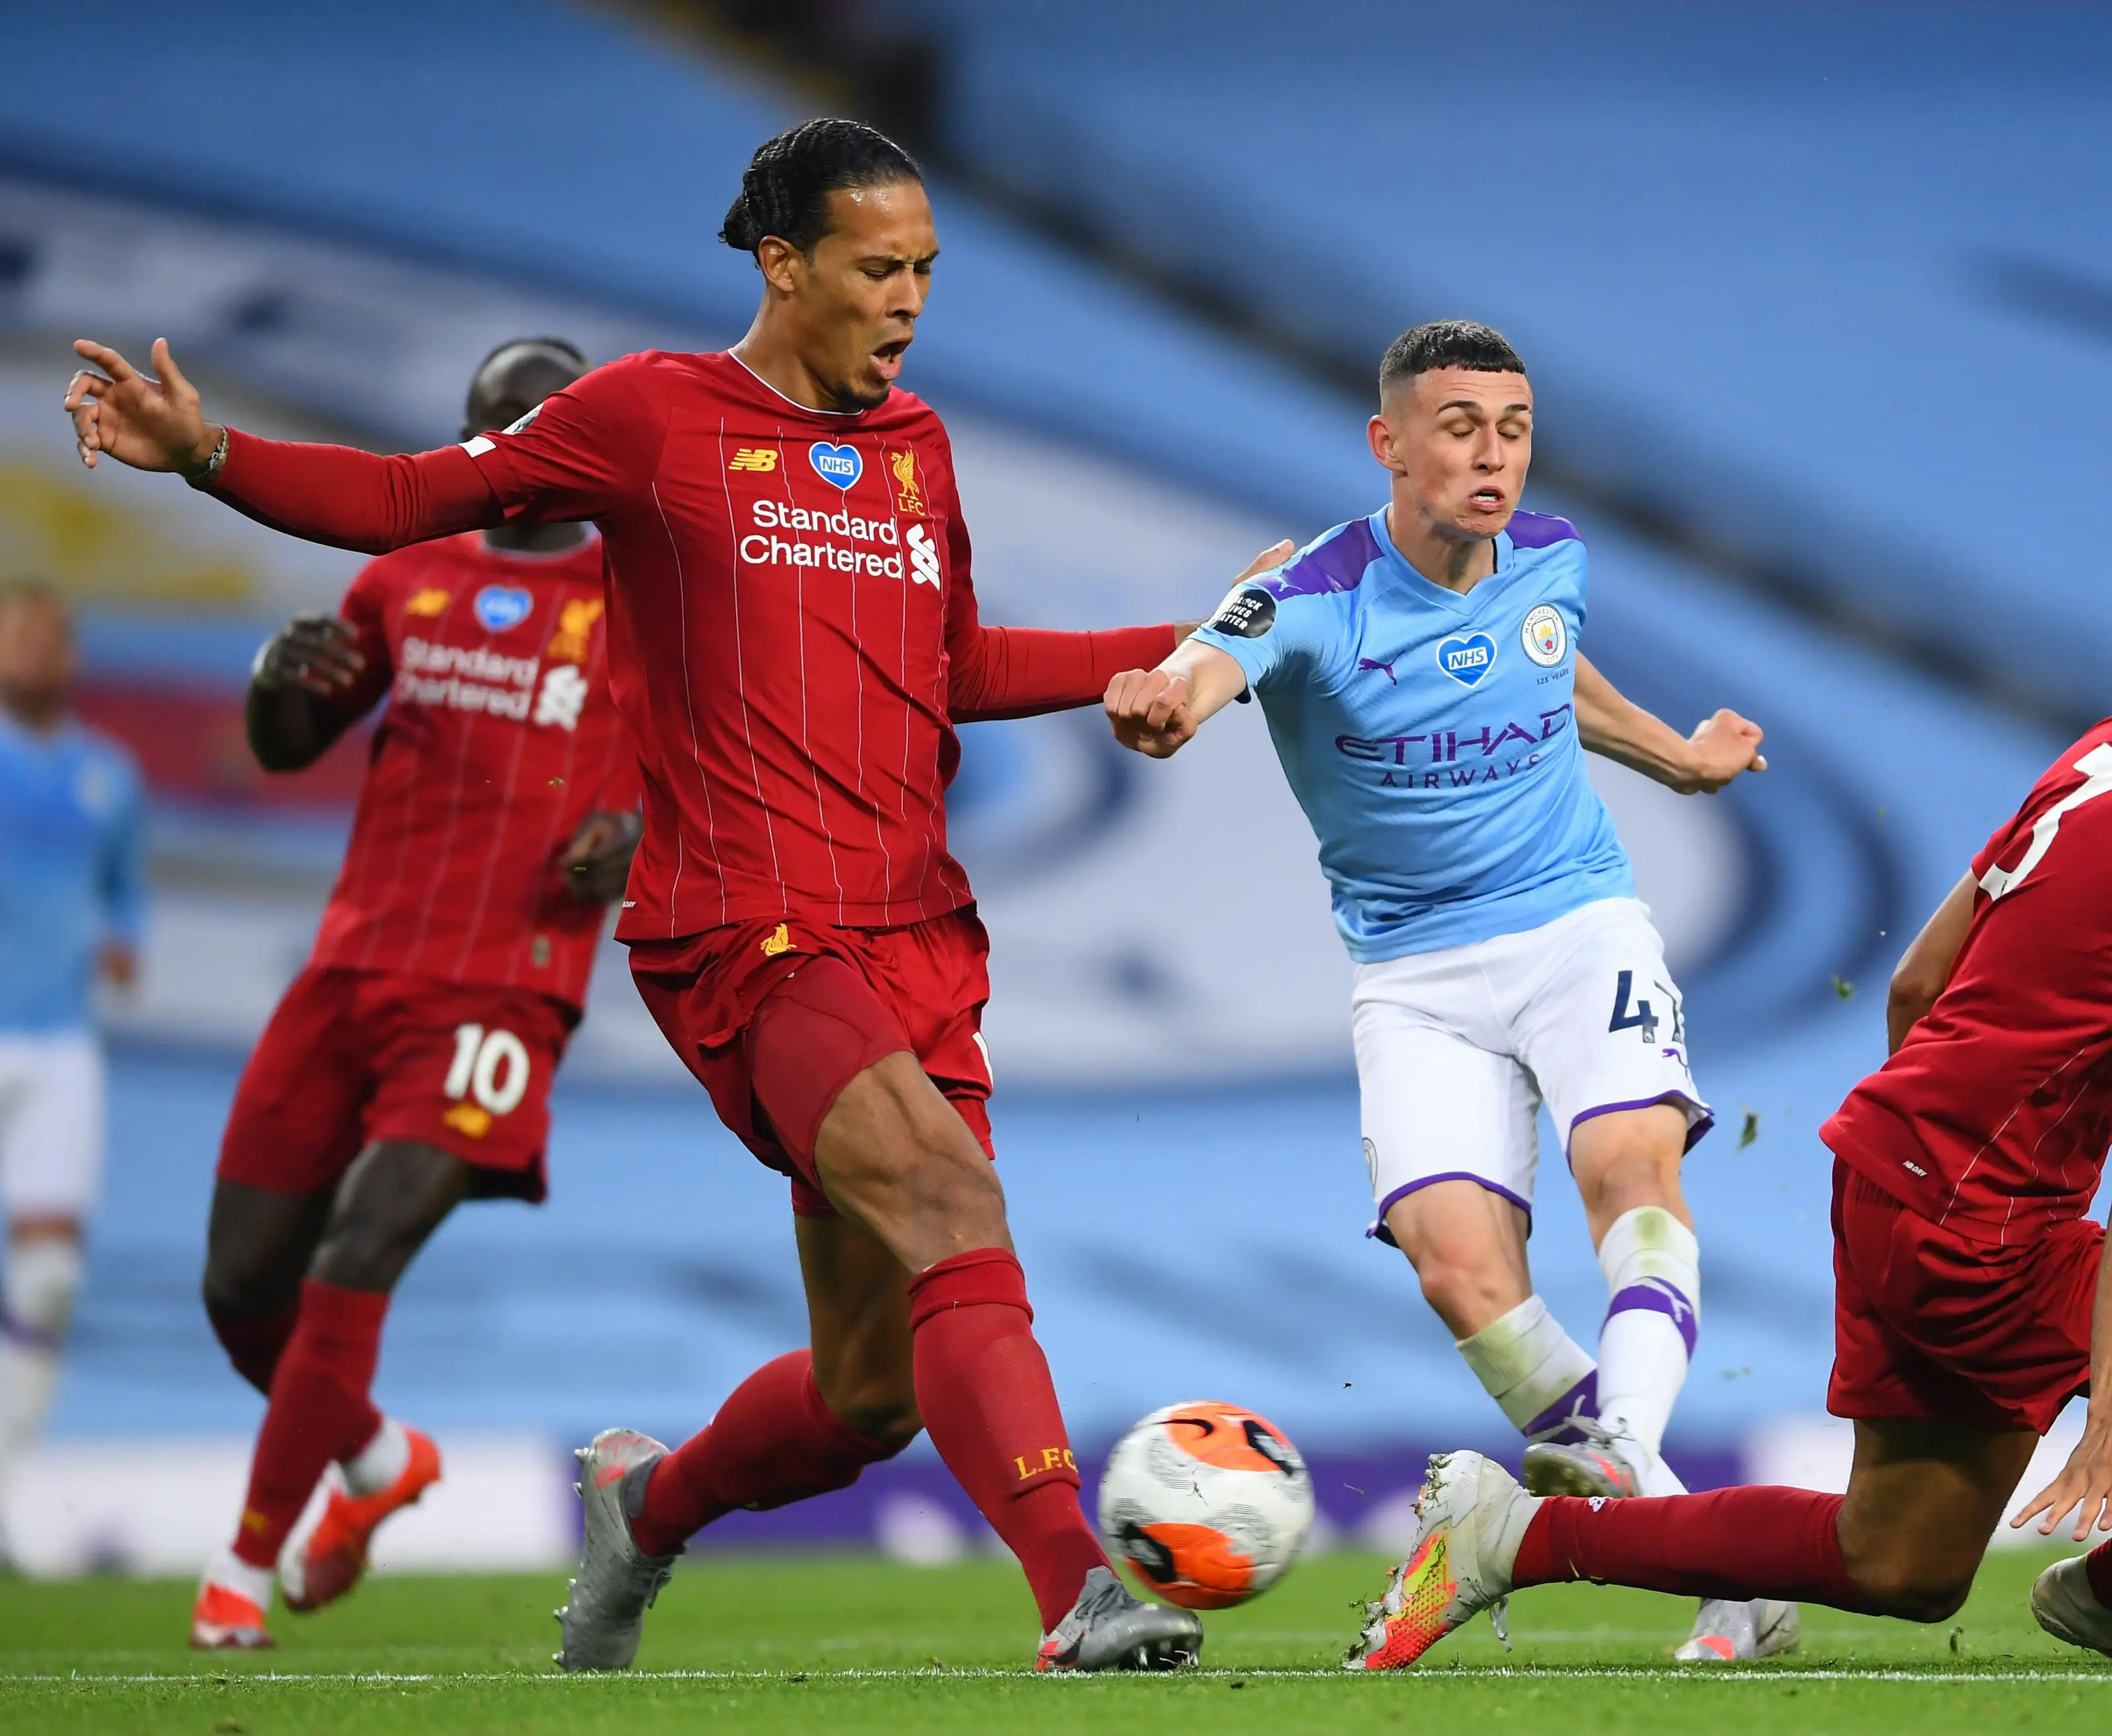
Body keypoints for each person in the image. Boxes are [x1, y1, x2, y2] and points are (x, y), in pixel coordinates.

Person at [68, 117, 1233, 1673]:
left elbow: (954, 665)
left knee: (869, 1394)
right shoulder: (648, 415)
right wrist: (210, 454)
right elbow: (404, 494)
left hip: (915, 933)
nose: (910, 299)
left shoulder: (917, 449)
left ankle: (647, 1507)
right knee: (957, 1207)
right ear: (784, 264)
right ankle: (1077, 1588)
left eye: (929, 270)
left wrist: (1180, 644)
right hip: (745, 926)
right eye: (880, 269)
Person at [1345, 529, 2112, 1671]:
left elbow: (1918, 981)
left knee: (1897, 1565)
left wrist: (1934, 1161)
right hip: (1988, 1225)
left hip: (1890, 1165)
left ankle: (1513, 1534)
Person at [1105, 320, 1787, 1662]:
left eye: (1515, 425)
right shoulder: (1310, 590)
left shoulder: (1554, 556)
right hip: (1413, 973)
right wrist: (1165, 702)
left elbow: (1550, 667)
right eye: (1462, 424)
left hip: (1578, 925)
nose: (1494, 452)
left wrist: (1677, 759)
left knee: (1631, 1170)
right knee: (1458, 1269)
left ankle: (1616, 1452)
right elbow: (1207, 663)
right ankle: (1721, 1571)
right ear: (1391, 444)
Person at [182, 339, 639, 1648]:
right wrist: (277, 686)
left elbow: (714, 757)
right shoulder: (403, 580)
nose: (517, 442)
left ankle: (240, 1568)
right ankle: (381, 1461)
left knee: (356, 1253)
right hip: (349, 970)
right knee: (239, 1288)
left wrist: (638, 833)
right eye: (496, 422)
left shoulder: (643, 595)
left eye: (542, 420)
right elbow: (290, 749)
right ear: (468, 435)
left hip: (504, 987)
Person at [0, 581, 142, 1570]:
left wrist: (125, 939)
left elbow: (125, 890)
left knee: (48, 1284)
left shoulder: (109, 774)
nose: (34, 650)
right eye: (16, 634)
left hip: (61, 1045)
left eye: (49, 634)